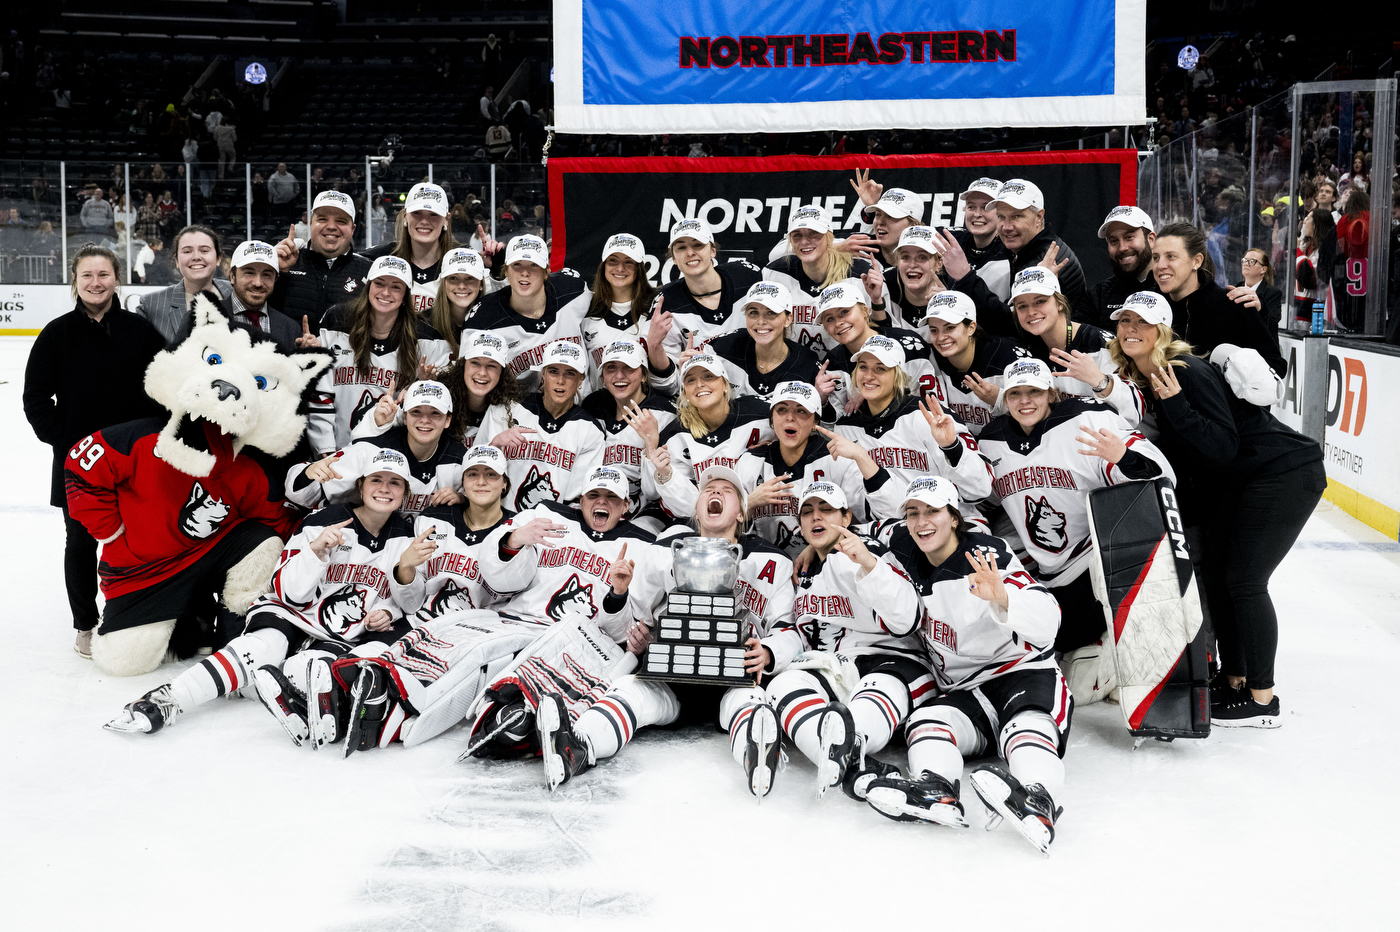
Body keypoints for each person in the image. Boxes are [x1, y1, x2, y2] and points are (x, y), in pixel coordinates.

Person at [1107, 292, 1325, 728]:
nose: (1130, 329)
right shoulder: (1146, 377)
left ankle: (1263, 702)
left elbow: (1222, 448)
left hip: (1283, 472)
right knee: (1224, 582)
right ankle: (1235, 680)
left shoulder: (1184, 371)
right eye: (1124, 321)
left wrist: (1175, 406)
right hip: (1245, 480)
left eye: (1141, 322)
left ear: (1162, 331)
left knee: (1245, 581)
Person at [104, 451, 430, 738]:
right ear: (361, 485)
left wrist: (392, 604)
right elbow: (288, 593)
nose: (384, 488)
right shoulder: (324, 522)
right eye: (376, 479)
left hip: (337, 638)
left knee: (316, 669)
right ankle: (167, 699)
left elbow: (410, 604)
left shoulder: (408, 537)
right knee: (262, 647)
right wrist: (315, 553)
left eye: (394, 482)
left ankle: (271, 687)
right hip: (289, 616)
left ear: (405, 492)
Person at [534, 466, 796, 790]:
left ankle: (757, 757)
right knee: (631, 692)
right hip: (672, 678)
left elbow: (788, 630)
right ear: (696, 510)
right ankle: (578, 745)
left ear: (742, 513)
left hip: (733, 676)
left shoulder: (773, 561)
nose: (714, 493)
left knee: (748, 703)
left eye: (726, 491)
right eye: (708, 489)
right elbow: (624, 628)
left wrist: (770, 652)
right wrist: (619, 598)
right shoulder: (666, 546)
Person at [868, 475, 1069, 855]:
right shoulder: (904, 547)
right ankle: (937, 789)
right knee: (926, 723)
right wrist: (817, 549)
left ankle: (1038, 800)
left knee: (1027, 727)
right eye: (913, 512)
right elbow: (857, 530)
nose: (922, 521)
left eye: (933, 511)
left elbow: (1049, 621)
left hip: (1021, 672)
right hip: (963, 691)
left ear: (955, 517)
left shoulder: (987, 555)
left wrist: (1005, 597)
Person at [22, 245, 166, 658]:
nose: (95, 282)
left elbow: (161, 387)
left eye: (103, 274)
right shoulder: (56, 334)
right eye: (87, 275)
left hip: (132, 463)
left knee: (137, 541)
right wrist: (66, 442)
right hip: (80, 465)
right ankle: (86, 623)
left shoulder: (139, 331)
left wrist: (149, 443)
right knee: (81, 544)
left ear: (116, 279)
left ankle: (131, 616)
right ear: (75, 281)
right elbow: (35, 399)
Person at [740, 480, 926, 799]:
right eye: (808, 512)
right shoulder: (806, 573)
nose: (816, 518)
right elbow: (800, 634)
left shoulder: (866, 552)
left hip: (893, 661)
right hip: (838, 665)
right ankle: (850, 767)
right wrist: (771, 651)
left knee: (873, 695)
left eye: (826, 510)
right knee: (782, 685)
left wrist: (867, 563)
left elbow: (907, 617)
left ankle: (847, 749)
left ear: (847, 518)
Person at [976, 358, 1173, 657]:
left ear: (1052, 394)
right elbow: (982, 500)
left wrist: (1122, 457)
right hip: (1046, 572)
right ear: (1005, 399)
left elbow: (1162, 476)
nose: (1025, 401)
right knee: (1061, 646)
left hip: (1097, 561)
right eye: (1015, 393)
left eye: (1035, 392)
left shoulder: (1088, 419)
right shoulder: (990, 441)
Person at [830, 334, 993, 528]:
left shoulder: (928, 415)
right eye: (863, 366)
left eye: (880, 368)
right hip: (897, 532)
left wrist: (952, 447)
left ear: (898, 374)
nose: (868, 375)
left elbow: (980, 489)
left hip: (956, 523)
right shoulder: (845, 430)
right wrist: (863, 459)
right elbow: (871, 514)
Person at [308, 254, 452, 454]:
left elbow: (434, 409)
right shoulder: (336, 320)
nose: (386, 292)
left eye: (396, 287)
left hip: (392, 458)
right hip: (335, 453)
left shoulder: (429, 340)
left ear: (405, 296)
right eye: (380, 283)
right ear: (368, 286)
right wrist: (325, 450)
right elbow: (320, 394)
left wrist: (424, 384)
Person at [289, 379, 467, 517]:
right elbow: (300, 494)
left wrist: (463, 500)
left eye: (435, 413)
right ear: (404, 417)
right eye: (416, 412)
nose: (425, 420)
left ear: (448, 420)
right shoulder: (371, 449)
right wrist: (309, 473)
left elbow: (484, 510)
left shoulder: (458, 457)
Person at [640, 353, 773, 521]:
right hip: (701, 524)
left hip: (758, 520)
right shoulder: (675, 434)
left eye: (708, 376)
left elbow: (796, 425)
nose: (700, 385)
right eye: (690, 380)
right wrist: (651, 446)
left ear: (725, 383)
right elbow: (655, 493)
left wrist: (782, 441)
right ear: (685, 393)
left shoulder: (761, 413)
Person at [480, 340, 606, 511]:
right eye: (554, 372)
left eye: (570, 373)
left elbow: (576, 500)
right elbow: (475, 472)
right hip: (496, 517)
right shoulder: (507, 408)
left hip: (551, 525)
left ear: (581, 379)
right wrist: (494, 444)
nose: (560, 381)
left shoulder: (590, 430)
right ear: (543, 374)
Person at [1009, 267, 1144, 423]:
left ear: (1059, 303)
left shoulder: (1101, 344)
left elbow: (1135, 412)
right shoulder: (1028, 350)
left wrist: (1099, 381)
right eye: (1022, 306)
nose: (1031, 311)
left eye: (1040, 301)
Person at [1151, 222, 1285, 372]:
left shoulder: (1232, 305)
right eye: (1156, 258)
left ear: (1196, 261)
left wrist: (1225, 381)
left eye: (1171, 256)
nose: (1160, 265)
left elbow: (1274, 366)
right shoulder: (1148, 310)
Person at [463, 233, 589, 388]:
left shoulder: (575, 292)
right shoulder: (484, 317)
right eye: (517, 264)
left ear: (546, 271)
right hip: (516, 409)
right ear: (506, 271)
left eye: (533, 265)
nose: (525, 272)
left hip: (582, 407)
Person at [647, 219, 764, 379]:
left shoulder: (747, 278)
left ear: (713, 251)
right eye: (681, 247)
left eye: (698, 245)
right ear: (673, 258)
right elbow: (667, 385)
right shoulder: (667, 302)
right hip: (703, 392)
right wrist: (679, 367)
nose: (690, 253)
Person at [581, 339, 676, 522]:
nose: (619, 375)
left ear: (643, 375)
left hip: (644, 512)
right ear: (602, 376)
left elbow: (654, 493)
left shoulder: (664, 414)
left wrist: (651, 444)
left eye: (628, 368)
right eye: (611, 368)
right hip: (597, 503)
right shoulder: (592, 406)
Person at [763, 205, 873, 356]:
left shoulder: (858, 274)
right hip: (794, 368)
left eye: (814, 233)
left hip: (846, 366)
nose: (804, 241)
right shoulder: (775, 273)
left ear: (829, 237)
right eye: (797, 235)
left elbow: (878, 328)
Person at [817, 279, 936, 412]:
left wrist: (876, 396)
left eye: (844, 312)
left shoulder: (909, 344)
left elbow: (934, 408)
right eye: (829, 319)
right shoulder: (832, 363)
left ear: (865, 311)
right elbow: (835, 425)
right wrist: (822, 402)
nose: (838, 322)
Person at [360, 183, 479, 315]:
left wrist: (496, 269)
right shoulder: (378, 258)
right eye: (417, 213)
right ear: (405, 216)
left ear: (446, 219)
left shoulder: (467, 261)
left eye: (433, 214)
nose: (424, 221)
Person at [922, 290, 1029, 435]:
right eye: (934, 330)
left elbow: (1042, 410)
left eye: (950, 328)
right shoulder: (931, 357)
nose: (941, 337)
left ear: (971, 328)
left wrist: (1000, 401)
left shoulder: (1008, 357)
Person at [706, 280, 830, 403]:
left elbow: (821, 421)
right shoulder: (723, 348)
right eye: (753, 313)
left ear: (788, 319)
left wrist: (822, 402)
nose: (761, 321)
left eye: (771, 313)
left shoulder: (806, 364)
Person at [988, 179, 1091, 323]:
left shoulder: (1045, 259)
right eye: (1001, 217)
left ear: (1039, 216)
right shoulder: (1029, 248)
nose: (1007, 227)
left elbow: (1009, 323)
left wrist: (966, 278)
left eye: (1016, 216)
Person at [270, 190, 372, 335]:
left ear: (353, 229)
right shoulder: (284, 264)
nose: (331, 226)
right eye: (322, 219)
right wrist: (276, 272)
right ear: (310, 223)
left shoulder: (370, 272)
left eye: (341, 221)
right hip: (287, 357)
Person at [580, 233, 662, 390]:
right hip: (599, 408)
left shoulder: (655, 306)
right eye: (613, 261)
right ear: (603, 265)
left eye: (628, 262)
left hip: (646, 407)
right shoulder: (585, 307)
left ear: (639, 268)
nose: (620, 268)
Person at [135, 224, 234, 347]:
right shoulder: (150, 306)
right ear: (176, 261)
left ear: (219, 258)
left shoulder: (237, 293)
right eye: (187, 251)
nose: (196, 257)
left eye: (204, 250)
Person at [226, 240, 304, 352]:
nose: (258, 283)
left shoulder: (291, 329)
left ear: (275, 279)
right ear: (232, 276)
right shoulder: (204, 320)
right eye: (249, 273)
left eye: (266, 275)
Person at [1088, 205, 1158, 328]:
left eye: (1129, 237)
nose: (1122, 247)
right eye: (1114, 241)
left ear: (1151, 239)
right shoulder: (1097, 296)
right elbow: (1073, 337)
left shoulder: (1172, 287)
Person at [428, 247, 491, 357]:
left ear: (481, 284)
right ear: (444, 283)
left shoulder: (493, 324)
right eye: (453, 278)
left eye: (470, 278)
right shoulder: (424, 324)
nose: (462, 286)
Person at [1292, 209, 1338, 330]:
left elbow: (1310, 279)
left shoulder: (1325, 250)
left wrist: (1297, 251)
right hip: (1299, 308)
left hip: (1315, 311)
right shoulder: (1304, 246)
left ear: (1317, 224)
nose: (1304, 221)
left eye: (1308, 218)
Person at [1237, 247, 1283, 334]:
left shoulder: (1273, 293)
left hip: (1261, 344)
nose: (1246, 264)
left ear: (1263, 269)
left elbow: (1272, 326)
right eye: (1244, 260)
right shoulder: (1237, 288)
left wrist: (1260, 309)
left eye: (1252, 261)